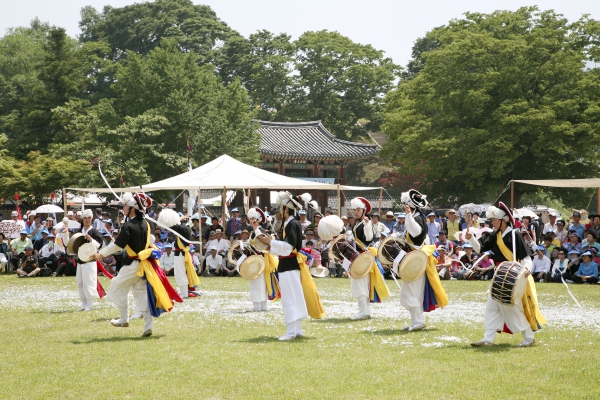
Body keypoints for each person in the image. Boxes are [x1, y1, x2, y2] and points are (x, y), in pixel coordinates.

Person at [97, 192, 182, 337]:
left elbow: (117, 246)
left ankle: (124, 319)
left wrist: (100, 254)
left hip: (133, 265)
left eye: (125, 206)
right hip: (146, 265)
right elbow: (150, 241)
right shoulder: (147, 224)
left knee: (118, 287)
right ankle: (148, 327)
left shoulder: (128, 225)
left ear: (132, 208)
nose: (123, 208)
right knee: (142, 294)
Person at [468, 202, 545, 348]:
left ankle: (528, 337)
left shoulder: (515, 235)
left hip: (513, 275)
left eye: (495, 220)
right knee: (492, 306)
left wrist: (527, 268)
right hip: (499, 275)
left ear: (504, 220)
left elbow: (526, 257)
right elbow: (480, 248)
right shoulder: (495, 234)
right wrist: (470, 238)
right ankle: (488, 339)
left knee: (512, 308)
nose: (493, 223)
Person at [257, 191, 325, 340]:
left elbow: (288, 247)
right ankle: (296, 329)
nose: (278, 210)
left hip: (289, 266)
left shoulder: (292, 223)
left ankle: (291, 332)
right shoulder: (288, 223)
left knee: (290, 298)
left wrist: (271, 242)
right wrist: (270, 246)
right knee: (293, 297)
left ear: (286, 208)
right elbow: (286, 247)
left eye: (280, 207)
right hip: (287, 265)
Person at [399, 189, 448, 331]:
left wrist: (408, 215)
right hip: (414, 259)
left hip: (417, 259)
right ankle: (416, 321)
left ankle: (418, 321)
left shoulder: (418, 217)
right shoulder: (415, 216)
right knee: (411, 291)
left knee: (413, 291)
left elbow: (416, 232)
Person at [346, 197, 390, 320]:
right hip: (358, 256)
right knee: (359, 283)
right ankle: (364, 311)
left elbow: (369, 237)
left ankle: (364, 312)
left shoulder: (367, 222)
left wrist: (367, 224)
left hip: (363, 256)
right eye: (354, 210)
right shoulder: (356, 223)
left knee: (361, 284)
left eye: (358, 210)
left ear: (364, 210)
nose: (356, 212)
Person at [158, 208, 200, 298]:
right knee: (180, 273)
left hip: (180, 254)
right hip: (180, 254)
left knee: (180, 274)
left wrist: (179, 218)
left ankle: (184, 293)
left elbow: (171, 225)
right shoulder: (185, 228)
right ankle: (183, 292)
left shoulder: (183, 228)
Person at [75, 209, 105, 311]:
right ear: (82, 219)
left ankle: (89, 304)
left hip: (90, 260)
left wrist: (91, 239)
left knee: (89, 282)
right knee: (80, 283)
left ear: (92, 219)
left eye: (89, 218)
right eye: (85, 218)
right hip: (80, 260)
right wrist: (65, 234)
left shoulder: (95, 232)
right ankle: (83, 304)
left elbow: (99, 245)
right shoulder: (79, 232)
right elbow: (70, 244)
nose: (87, 220)